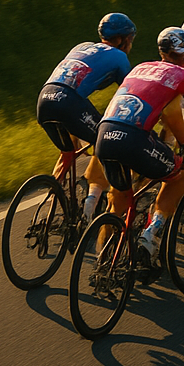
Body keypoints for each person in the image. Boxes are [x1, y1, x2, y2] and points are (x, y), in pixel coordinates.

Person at [89, 27, 184, 261]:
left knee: (121, 195)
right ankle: (150, 235)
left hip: (104, 134)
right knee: (179, 176)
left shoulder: (140, 67)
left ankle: (105, 256)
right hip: (132, 138)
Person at [37, 12, 134, 219]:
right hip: (68, 100)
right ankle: (91, 205)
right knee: (106, 142)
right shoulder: (120, 57)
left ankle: (53, 204)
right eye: (130, 39)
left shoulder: (81, 46)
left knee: (68, 151)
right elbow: (129, 94)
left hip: (44, 98)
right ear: (123, 39)